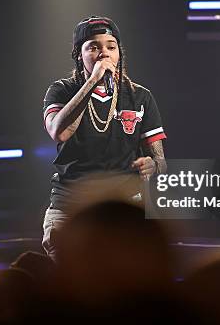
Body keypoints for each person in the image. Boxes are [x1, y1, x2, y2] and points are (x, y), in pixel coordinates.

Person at [42, 15, 167, 258]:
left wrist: (153, 165)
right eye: (93, 47)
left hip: (124, 206)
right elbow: (60, 131)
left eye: (111, 46)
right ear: (79, 54)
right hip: (73, 204)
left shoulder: (140, 96)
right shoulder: (61, 90)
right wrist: (93, 81)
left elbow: (161, 162)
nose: (104, 53)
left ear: (120, 52)